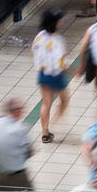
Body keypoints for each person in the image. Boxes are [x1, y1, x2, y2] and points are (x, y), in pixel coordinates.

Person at [31, 8, 70, 145]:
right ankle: (54, 122)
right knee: (64, 100)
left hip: (43, 74)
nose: (61, 21)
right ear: (55, 23)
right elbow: (60, 60)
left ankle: (45, 132)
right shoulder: (57, 40)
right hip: (56, 75)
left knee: (46, 103)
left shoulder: (39, 36)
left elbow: (34, 53)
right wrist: (66, 68)